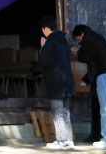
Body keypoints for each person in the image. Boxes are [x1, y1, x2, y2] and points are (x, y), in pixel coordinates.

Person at [71, 24, 106, 149]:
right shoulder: (100, 38)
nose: (79, 42)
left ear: (81, 34)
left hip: (103, 76)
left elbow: (86, 57)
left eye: (78, 39)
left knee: (105, 109)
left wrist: (78, 52)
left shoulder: (88, 38)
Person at [38, 16, 76, 150]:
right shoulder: (64, 42)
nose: (43, 32)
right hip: (67, 81)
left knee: (57, 112)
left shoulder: (50, 41)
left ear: (46, 29)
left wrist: (43, 47)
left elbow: (43, 60)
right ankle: (68, 140)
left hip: (56, 81)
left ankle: (62, 140)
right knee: (65, 112)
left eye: (43, 29)